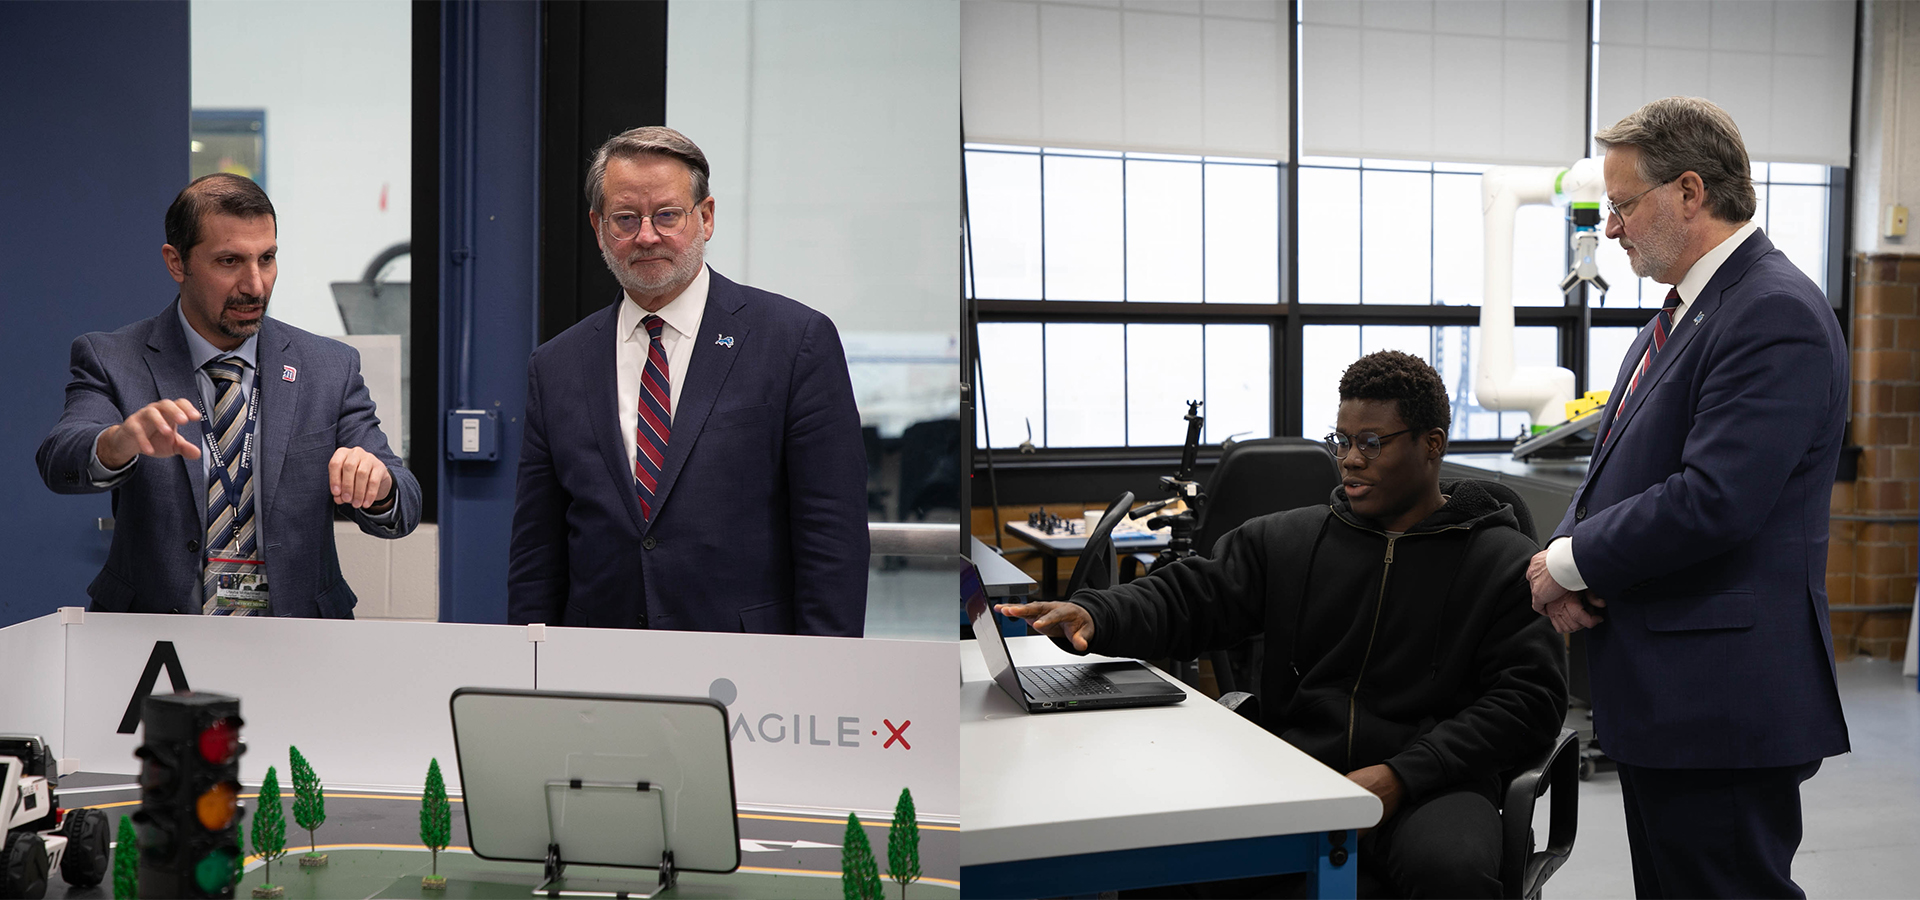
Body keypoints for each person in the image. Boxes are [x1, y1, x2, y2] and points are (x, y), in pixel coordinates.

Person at [999, 351, 1567, 898]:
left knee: (1453, 872)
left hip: (1433, 783)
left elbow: (1528, 702)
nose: (1349, 458)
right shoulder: (1289, 540)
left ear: (1431, 445)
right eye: (1341, 440)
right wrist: (1096, 612)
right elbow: (1191, 597)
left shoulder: (1503, 562)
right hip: (1298, 767)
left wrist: (1398, 776)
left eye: (1371, 443)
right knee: (1167, 858)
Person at [1526, 97, 1850, 899]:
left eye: (1622, 205)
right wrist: (1568, 566)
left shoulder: (1773, 313)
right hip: (1669, 693)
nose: (1610, 229)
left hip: (1724, 701)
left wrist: (1569, 560)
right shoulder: (1681, 312)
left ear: (1690, 192)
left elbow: (1716, 499)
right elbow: (1612, 465)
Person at [508, 126, 868, 636]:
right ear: (597, 227)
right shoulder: (556, 365)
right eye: (625, 219)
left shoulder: (795, 342)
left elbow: (832, 535)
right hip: (597, 665)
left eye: (668, 215)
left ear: (706, 217)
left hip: (750, 668)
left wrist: (825, 675)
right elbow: (536, 549)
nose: (647, 235)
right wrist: (530, 674)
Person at [36, 173, 420, 617]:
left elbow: (405, 504)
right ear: (176, 263)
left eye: (268, 258)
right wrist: (117, 443)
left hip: (299, 637)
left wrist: (379, 485)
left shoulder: (329, 367)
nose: (255, 285)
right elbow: (58, 460)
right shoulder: (112, 358)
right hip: (151, 635)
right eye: (229, 261)